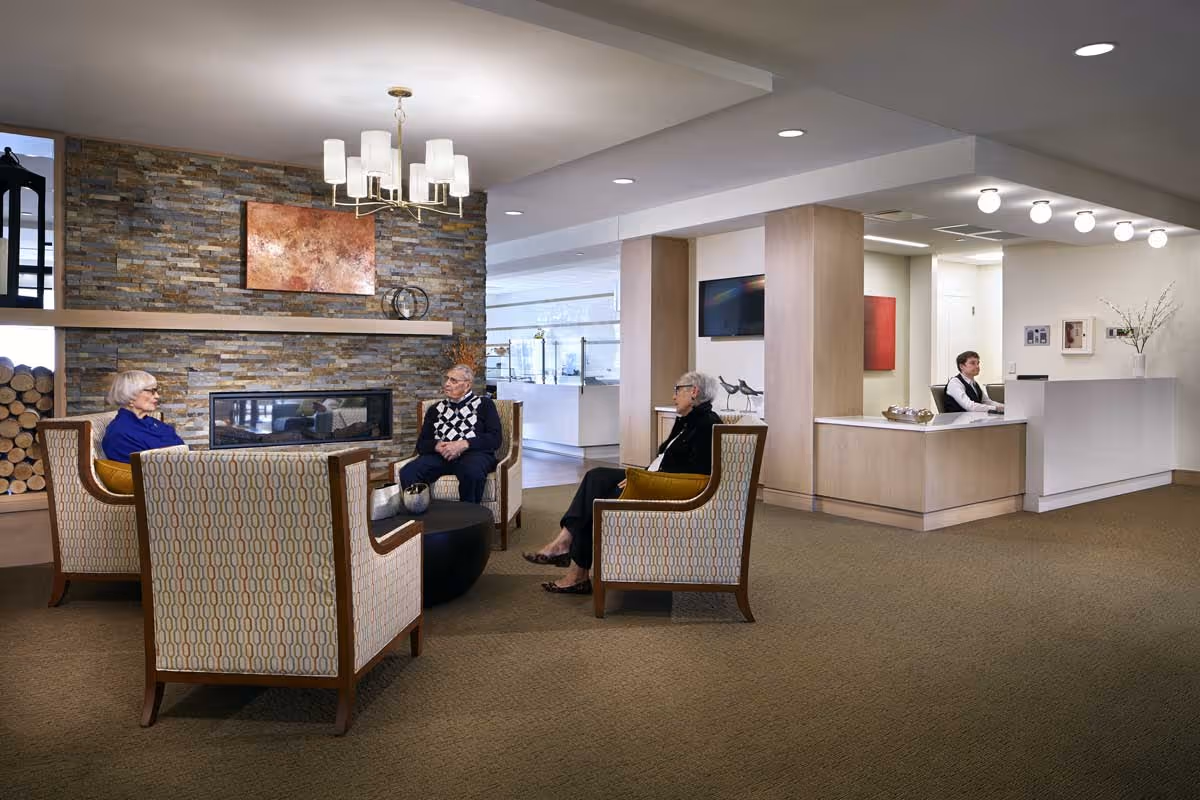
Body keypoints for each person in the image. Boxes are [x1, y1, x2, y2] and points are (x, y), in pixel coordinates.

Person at [524, 371, 723, 595]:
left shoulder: (708, 425)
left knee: (595, 499)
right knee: (595, 476)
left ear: (693, 392)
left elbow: (696, 474)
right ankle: (565, 543)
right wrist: (642, 476)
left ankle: (574, 570)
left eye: (677, 390)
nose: (674, 396)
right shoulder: (688, 421)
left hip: (661, 489)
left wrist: (645, 480)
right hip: (652, 480)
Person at [399, 364, 502, 504]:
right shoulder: (435, 409)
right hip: (441, 456)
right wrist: (436, 446)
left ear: (467, 385)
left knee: (472, 472)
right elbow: (422, 444)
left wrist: (464, 444)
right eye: (447, 379)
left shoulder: (484, 404)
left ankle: (469, 520)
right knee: (408, 471)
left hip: (474, 454)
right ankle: (421, 517)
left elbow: (495, 439)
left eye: (453, 381)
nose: (447, 384)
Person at [101, 370, 187, 463]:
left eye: (156, 390)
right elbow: (145, 470)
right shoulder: (120, 433)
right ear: (130, 395)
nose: (157, 396)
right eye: (152, 391)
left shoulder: (151, 421)